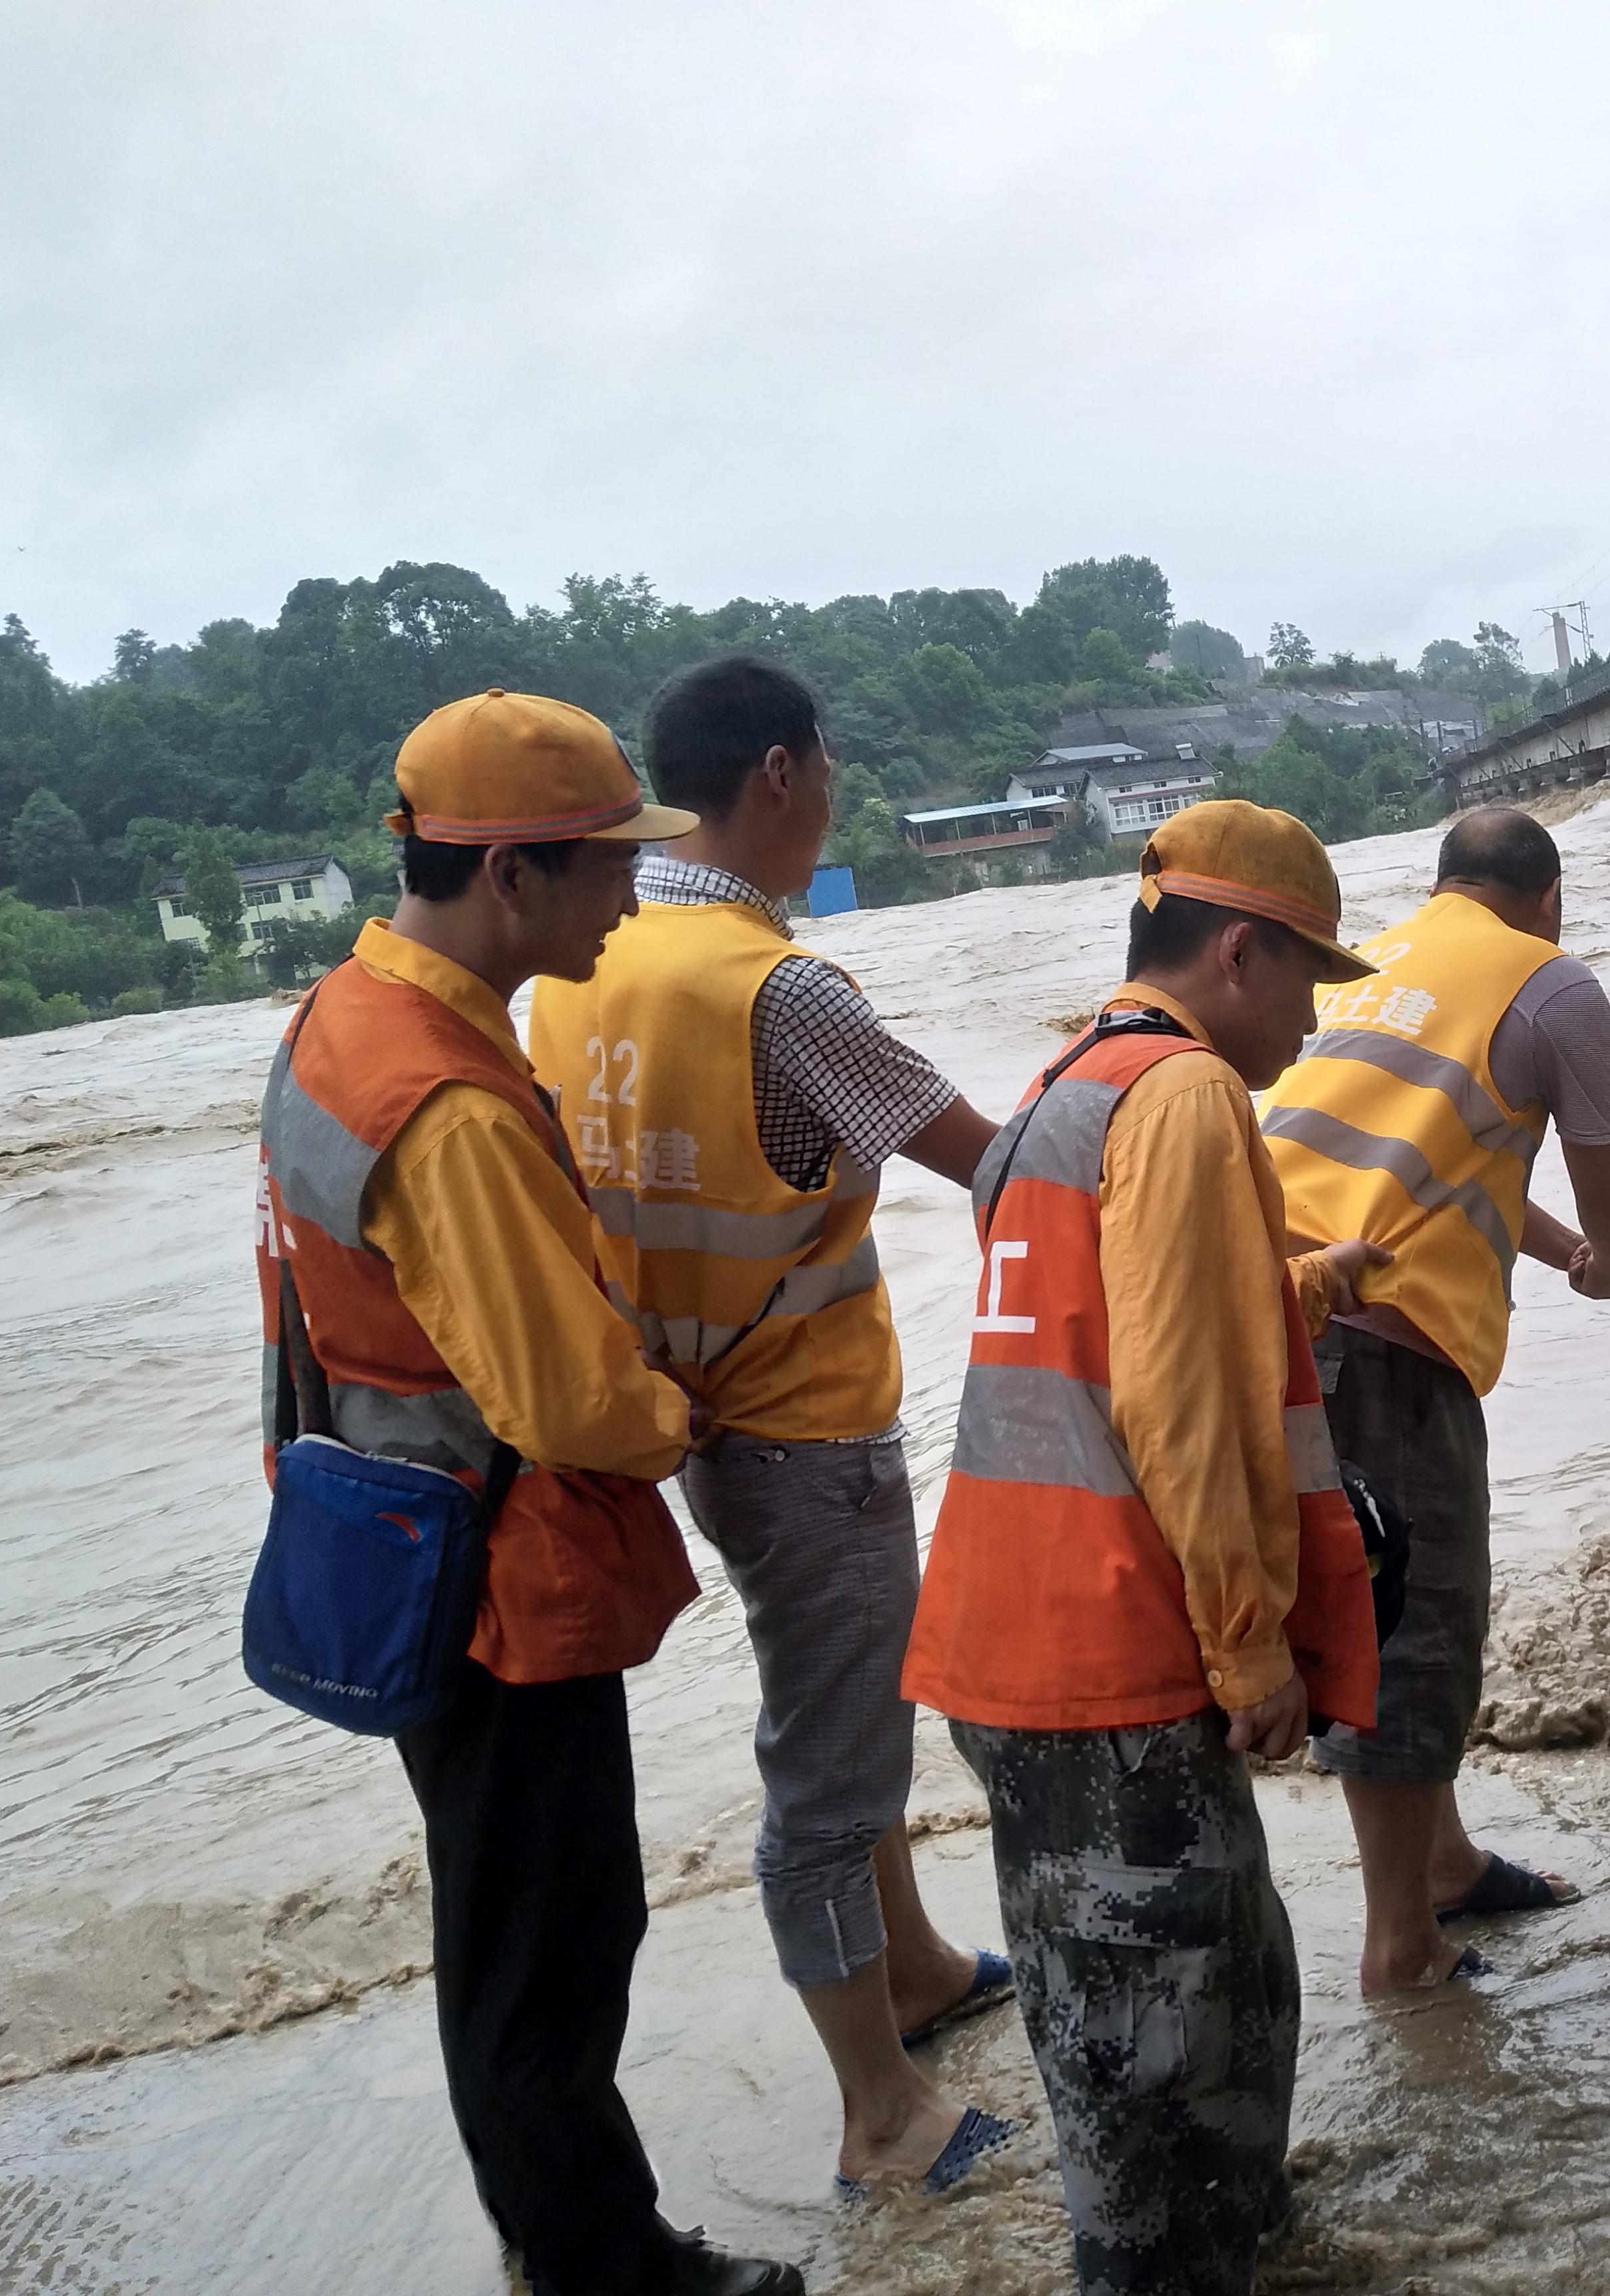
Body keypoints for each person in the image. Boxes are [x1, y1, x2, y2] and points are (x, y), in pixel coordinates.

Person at [254, 688, 801, 2296]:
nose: (633, 893)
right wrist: (676, 1411)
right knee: (549, 1953)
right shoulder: (454, 1107)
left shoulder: (343, 1017)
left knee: (508, 1929)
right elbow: (569, 1403)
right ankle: (601, 2267)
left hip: (396, 1538)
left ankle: (554, 2242)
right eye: (608, 867)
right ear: (509, 878)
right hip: (495, 1580)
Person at [527, 655, 1016, 2199]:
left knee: (841, 1706)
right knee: (829, 1765)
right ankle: (882, 2116)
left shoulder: (581, 964)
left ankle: (922, 1967)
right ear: (788, 774)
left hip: (692, 1422)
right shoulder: (781, 990)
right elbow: (994, 1166)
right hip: (808, 1427)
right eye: (835, 773)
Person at [903, 801, 1387, 2296]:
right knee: (1158, 2077)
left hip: (1017, 1640)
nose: (1311, 1019)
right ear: (1237, 949)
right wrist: (1250, 1647)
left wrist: (1300, 1284)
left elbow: (1111, 1328)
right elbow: (1175, 1401)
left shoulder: (1069, 1084)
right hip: (1109, 1657)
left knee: (1201, 2008)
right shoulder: (1183, 1097)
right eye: (1306, 977)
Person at [1256, 805, 1610, 1994]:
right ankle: (1404, 1942)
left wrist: (1567, 1249)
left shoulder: (1368, 969)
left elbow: (1446, 1172)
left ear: (1443, 889)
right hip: (1376, 1344)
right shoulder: (1551, 984)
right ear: (1548, 899)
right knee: (1411, 1631)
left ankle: (1447, 1858)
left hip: (1273, 1307)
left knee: (1368, 1599)